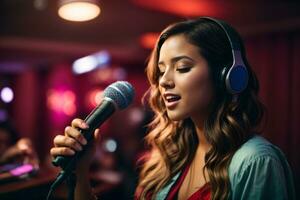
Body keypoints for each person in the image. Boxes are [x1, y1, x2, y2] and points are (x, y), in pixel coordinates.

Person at [50, 17, 295, 200]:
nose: (164, 81)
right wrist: (81, 172)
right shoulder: (170, 154)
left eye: (182, 67)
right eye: (162, 70)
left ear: (228, 76)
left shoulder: (257, 161)